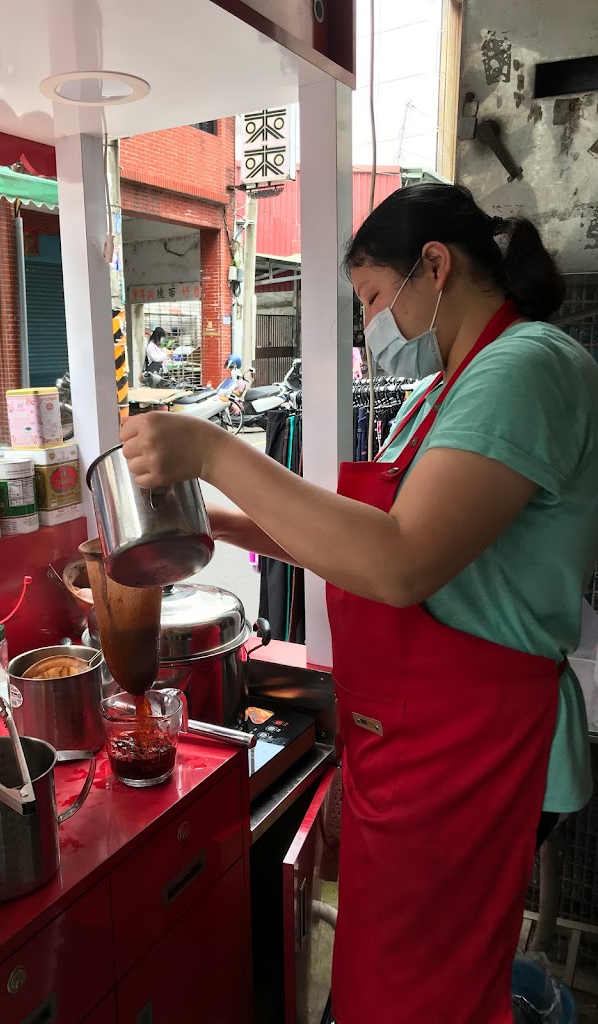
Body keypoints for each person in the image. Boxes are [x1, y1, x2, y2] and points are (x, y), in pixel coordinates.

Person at [119, 182, 598, 1024]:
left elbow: (401, 561)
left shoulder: (527, 368)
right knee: (389, 979)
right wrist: (206, 524)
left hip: (474, 746)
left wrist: (212, 450)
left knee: (429, 996)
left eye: (374, 296)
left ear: (436, 267)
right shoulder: (438, 393)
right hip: (408, 741)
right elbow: (348, 541)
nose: (372, 323)